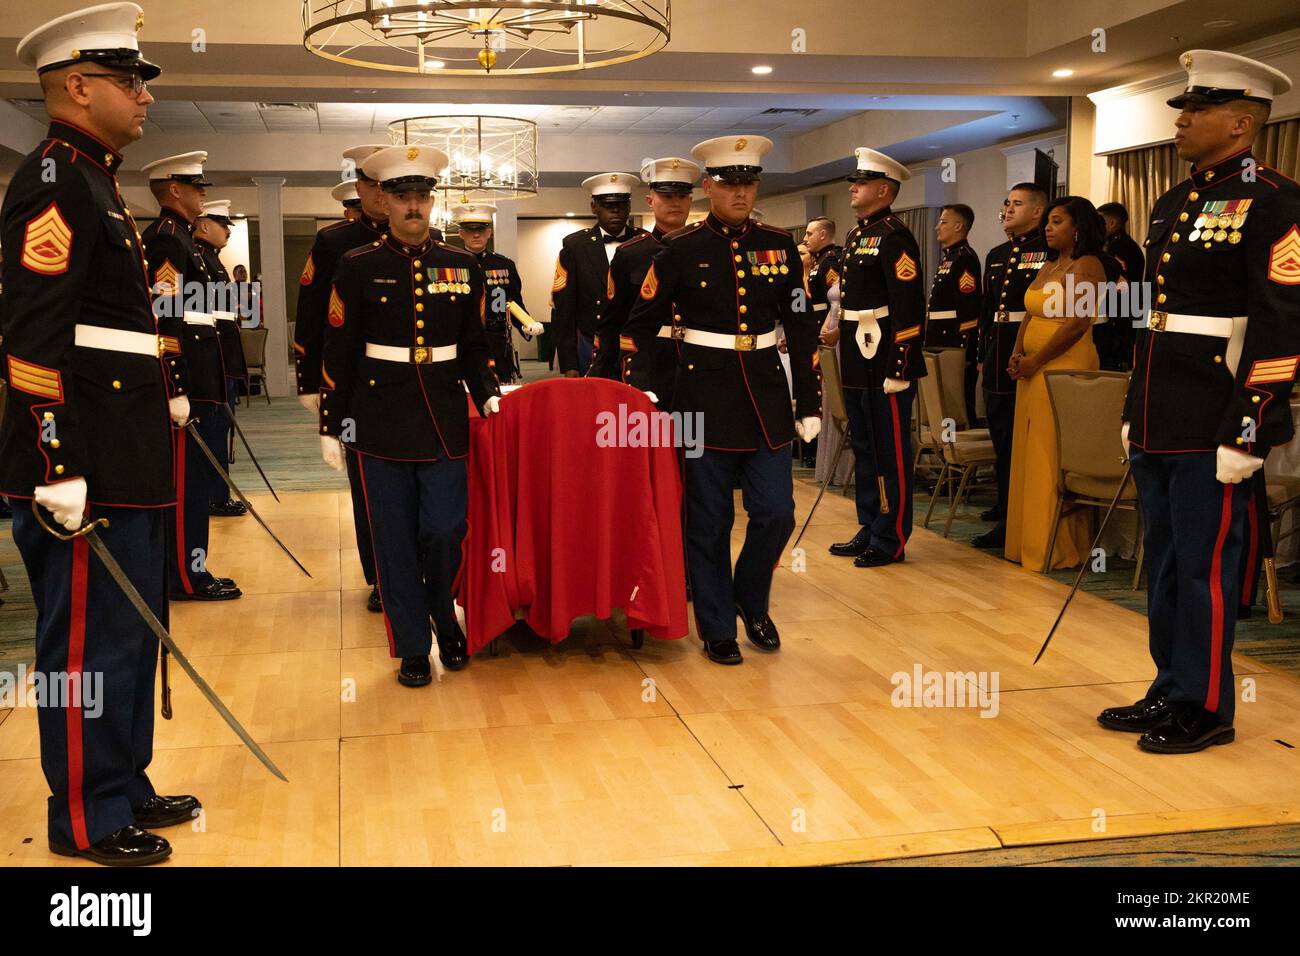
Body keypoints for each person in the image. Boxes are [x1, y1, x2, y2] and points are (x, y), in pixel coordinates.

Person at [1, 1, 199, 866]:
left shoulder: (97, 178)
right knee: (83, 644)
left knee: (131, 629)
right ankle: (84, 814)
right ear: (77, 88)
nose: (144, 97)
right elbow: (31, 340)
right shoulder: (53, 180)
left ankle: (125, 782)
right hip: (83, 462)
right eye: (129, 81)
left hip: (127, 449)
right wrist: (56, 466)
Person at [1102, 50, 1300, 753]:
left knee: (1204, 566)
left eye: (1196, 109)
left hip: (1216, 413)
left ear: (1241, 122)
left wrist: (1249, 429)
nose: (1181, 120)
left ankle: (1209, 705)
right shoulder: (1174, 198)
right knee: (1163, 560)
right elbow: (1156, 316)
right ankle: (1170, 687)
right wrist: (1134, 407)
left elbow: (1282, 322)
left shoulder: (1274, 198)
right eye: (1182, 107)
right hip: (1161, 406)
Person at [624, 135, 820, 665]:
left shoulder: (778, 245)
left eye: (749, 182)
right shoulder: (679, 249)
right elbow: (639, 325)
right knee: (707, 522)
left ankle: (750, 602)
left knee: (776, 515)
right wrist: (644, 388)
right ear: (708, 187)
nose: (740, 192)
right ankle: (716, 625)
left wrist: (809, 401)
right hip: (697, 402)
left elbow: (801, 326)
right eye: (729, 184)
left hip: (765, 395)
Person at [319, 144, 501, 687]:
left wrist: (487, 391)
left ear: (432, 201)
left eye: (422, 195)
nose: (414, 206)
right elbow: (339, 349)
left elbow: (474, 342)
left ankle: (444, 614)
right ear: (385, 201)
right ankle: (413, 645)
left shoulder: (463, 266)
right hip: (379, 420)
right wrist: (332, 422)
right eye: (403, 197)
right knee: (393, 539)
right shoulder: (357, 266)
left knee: (446, 530)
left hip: (445, 414)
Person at [141, 150, 242, 601]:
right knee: (188, 486)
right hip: (189, 382)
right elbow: (166, 317)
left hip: (204, 376)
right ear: (175, 191)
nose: (204, 194)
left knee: (199, 483)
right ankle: (184, 575)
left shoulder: (182, 238)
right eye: (197, 187)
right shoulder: (166, 238)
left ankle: (192, 567)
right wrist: (175, 385)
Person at [295, 144, 389, 613]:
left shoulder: (422, 239)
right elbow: (310, 314)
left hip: (413, 383)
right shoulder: (335, 243)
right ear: (359, 187)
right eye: (373, 184)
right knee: (369, 487)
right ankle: (380, 574)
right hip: (352, 383)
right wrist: (310, 383)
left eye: (388, 184)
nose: (381, 193)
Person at [826, 148, 927, 568]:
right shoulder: (858, 234)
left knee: (890, 449)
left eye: (861, 182)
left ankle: (892, 536)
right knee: (865, 445)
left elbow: (907, 303)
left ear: (883, 190)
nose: (853, 187)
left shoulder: (894, 235)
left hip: (885, 355)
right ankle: (870, 523)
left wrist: (900, 364)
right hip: (855, 351)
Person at [1002, 196, 1104, 571]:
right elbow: (1030, 314)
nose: (1047, 228)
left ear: (1077, 228)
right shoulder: (1049, 265)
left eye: (1056, 221)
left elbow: (1078, 324)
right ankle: (1024, 541)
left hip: (1063, 367)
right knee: (1029, 450)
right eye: (1047, 221)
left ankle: (1053, 546)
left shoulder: (1089, 266)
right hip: (1031, 369)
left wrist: (1037, 360)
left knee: (1049, 452)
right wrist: (1017, 354)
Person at [972, 183, 1049, 549]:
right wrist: (982, 355)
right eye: (1007, 203)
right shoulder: (998, 253)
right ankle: (1005, 512)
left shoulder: (1049, 251)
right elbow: (987, 311)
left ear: (1038, 212)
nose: (1008, 209)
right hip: (999, 352)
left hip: (1030, 352)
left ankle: (1021, 517)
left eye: (1017, 204)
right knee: (1003, 441)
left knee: (1027, 444)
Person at [593, 156, 701, 400]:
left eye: (682, 196)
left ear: (691, 200)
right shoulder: (631, 254)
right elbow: (611, 322)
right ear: (651, 201)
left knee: (692, 434)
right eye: (667, 196)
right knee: (646, 435)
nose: (675, 203)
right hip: (648, 362)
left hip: (699, 362)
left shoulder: (705, 249)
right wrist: (601, 375)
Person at [550, 173, 646, 376]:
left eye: (621, 204)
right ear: (594, 207)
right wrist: (569, 364)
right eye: (607, 205)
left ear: (629, 206)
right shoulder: (575, 246)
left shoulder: (645, 242)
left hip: (637, 344)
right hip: (591, 344)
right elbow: (564, 309)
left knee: (636, 406)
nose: (615, 210)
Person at [192, 199, 248, 517]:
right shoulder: (197, 257)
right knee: (212, 428)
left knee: (221, 426)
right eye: (222, 224)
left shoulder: (211, 259)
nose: (227, 231)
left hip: (223, 359)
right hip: (212, 361)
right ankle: (214, 495)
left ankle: (217, 492)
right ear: (204, 225)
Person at [454, 201, 543, 384]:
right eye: (470, 230)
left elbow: (512, 301)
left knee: (500, 387)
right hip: (462, 338)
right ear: (461, 233)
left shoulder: (503, 265)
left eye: (481, 229)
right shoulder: (452, 264)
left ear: (489, 232)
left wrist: (527, 323)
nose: (476, 234)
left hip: (496, 338)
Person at [925, 204, 982, 423]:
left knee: (957, 403)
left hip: (953, 343)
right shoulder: (950, 256)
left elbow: (969, 308)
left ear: (958, 226)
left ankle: (961, 452)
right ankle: (947, 448)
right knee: (943, 402)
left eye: (943, 222)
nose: (937, 227)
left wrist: (965, 348)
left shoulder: (964, 258)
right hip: (940, 340)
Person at [802, 216, 841, 466]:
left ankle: (817, 449)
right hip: (815, 333)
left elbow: (834, 303)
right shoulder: (819, 263)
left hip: (826, 334)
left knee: (822, 393)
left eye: (809, 234)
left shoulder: (830, 262)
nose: (805, 239)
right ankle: (814, 448)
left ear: (823, 235)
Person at [1096, 201, 1145, 371]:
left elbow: (1122, 286)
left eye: (1099, 221)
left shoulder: (1120, 246)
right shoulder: (1118, 244)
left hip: (1123, 311)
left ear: (1111, 223)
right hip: (1124, 310)